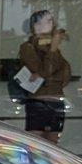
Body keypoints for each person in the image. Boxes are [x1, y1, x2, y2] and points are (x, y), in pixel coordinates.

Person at [16, 9, 71, 142]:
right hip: (38, 102)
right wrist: (52, 49)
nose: (49, 24)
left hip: (56, 101)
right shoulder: (27, 47)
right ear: (35, 26)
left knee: (52, 145)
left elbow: (63, 76)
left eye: (50, 21)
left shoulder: (55, 47)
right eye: (45, 21)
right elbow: (45, 70)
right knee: (35, 145)